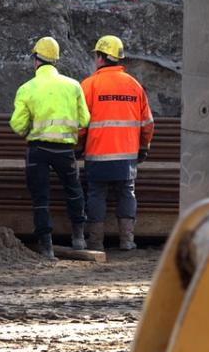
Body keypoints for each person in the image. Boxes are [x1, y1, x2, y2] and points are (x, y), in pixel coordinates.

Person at [10, 36, 91, 258]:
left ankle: (46, 246)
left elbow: (17, 124)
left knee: (41, 197)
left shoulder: (27, 88)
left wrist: (29, 130)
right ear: (55, 60)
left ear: (36, 60)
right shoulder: (73, 86)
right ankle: (78, 238)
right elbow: (84, 120)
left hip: (38, 150)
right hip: (65, 150)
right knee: (74, 191)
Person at [80, 35, 154, 251]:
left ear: (101, 57)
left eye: (96, 55)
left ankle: (95, 242)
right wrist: (143, 147)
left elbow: (81, 124)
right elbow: (148, 123)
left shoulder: (89, 85)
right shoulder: (134, 85)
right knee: (126, 192)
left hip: (98, 155)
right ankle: (127, 240)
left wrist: (79, 146)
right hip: (127, 156)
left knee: (95, 194)